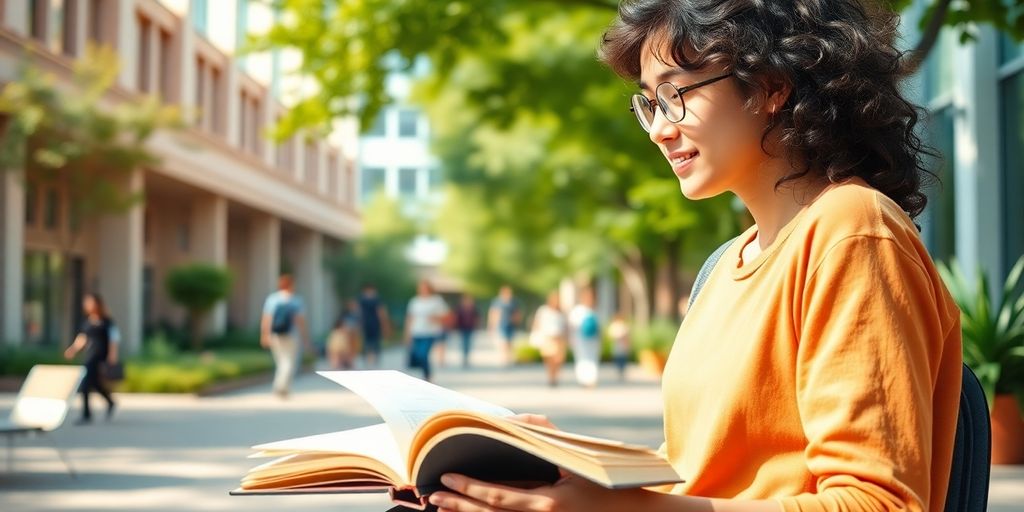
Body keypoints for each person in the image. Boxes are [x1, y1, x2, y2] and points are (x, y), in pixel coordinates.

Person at [427, 1, 963, 511]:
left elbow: (878, 501)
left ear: (771, 85)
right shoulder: (725, 265)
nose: (660, 128)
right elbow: (702, 473)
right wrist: (571, 465)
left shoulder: (852, 233)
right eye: (650, 103)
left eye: (675, 94)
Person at [63, 293, 118, 424]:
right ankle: (110, 401)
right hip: (90, 356)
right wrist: (73, 349)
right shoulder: (87, 322)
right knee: (93, 383)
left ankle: (87, 414)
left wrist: (112, 355)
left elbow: (113, 339)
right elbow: (82, 338)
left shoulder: (107, 322)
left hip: (101, 356)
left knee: (86, 384)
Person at [260, 274, 312, 399]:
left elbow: (267, 318)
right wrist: (305, 338)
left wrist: (264, 335)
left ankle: (281, 386)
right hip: (291, 334)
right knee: (289, 362)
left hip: (276, 334)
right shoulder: (295, 300)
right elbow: (300, 321)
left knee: (280, 361)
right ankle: (282, 386)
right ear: (291, 285)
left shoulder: (272, 299)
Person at [404, 280, 450, 382]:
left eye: (425, 287)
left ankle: (427, 376)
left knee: (423, 354)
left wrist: (436, 318)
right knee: (417, 355)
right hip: (416, 332)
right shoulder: (414, 301)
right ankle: (425, 372)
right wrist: (407, 334)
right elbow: (410, 318)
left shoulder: (436, 300)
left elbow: (446, 315)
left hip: (430, 332)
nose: (423, 290)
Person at [529, 291, 568, 387]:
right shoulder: (543, 310)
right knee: (550, 360)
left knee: (558, 360)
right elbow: (537, 322)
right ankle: (551, 377)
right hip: (547, 339)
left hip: (559, 339)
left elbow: (565, 326)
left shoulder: (561, 312)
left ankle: (555, 376)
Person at [568, 287, 601, 388]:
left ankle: (591, 380)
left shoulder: (594, 310)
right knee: (582, 359)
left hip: (592, 340)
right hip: (580, 340)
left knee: (591, 359)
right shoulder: (578, 310)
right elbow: (571, 326)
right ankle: (584, 380)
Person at [358, 284, 390, 369]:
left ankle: (372, 358)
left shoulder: (374, 300)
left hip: (373, 323)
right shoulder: (365, 300)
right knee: (368, 342)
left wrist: (384, 324)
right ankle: (370, 358)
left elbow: (381, 312)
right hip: (369, 323)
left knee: (373, 341)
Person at [487, 285, 521, 366]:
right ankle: (504, 358)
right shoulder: (497, 301)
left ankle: (509, 356)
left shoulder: (513, 301)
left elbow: (517, 312)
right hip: (502, 323)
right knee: (503, 341)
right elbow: (493, 312)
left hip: (511, 324)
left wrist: (516, 320)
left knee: (510, 341)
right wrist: (491, 324)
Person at [327, 299, 361, 370]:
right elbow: (341, 325)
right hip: (343, 337)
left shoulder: (357, 315)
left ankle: (346, 363)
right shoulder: (345, 315)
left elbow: (358, 326)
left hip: (351, 336)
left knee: (349, 351)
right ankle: (341, 363)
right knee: (340, 351)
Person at [453, 294, 479, 368]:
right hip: (462, 327)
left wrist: (476, 325)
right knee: (464, 342)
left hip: (470, 327)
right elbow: (456, 317)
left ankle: (466, 356)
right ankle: (464, 356)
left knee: (468, 342)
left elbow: (477, 317)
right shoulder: (460, 308)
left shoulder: (473, 308)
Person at [607, 313, 631, 382]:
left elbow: (628, 337)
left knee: (622, 359)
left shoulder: (624, 326)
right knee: (618, 359)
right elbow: (611, 336)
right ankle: (619, 371)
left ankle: (622, 371)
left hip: (623, 346)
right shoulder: (615, 326)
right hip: (617, 346)